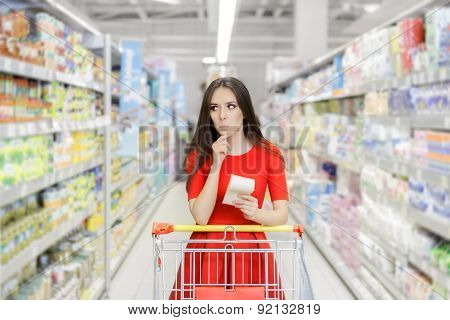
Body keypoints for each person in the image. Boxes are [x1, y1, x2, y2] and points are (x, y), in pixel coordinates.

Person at [169, 77, 289, 300]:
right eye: (214, 108)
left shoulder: (269, 154)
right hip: (207, 250)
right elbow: (201, 217)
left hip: (250, 250)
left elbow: (281, 215)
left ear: (244, 110)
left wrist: (257, 213)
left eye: (230, 106)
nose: (222, 115)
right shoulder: (199, 155)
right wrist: (216, 165)